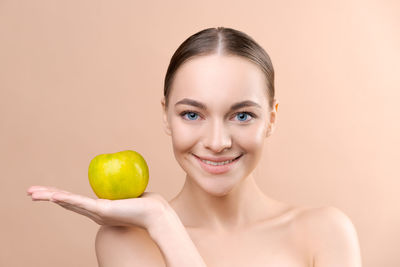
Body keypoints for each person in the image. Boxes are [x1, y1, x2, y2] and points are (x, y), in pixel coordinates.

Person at [27, 27, 362, 267]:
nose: (217, 142)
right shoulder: (124, 242)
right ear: (166, 116)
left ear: (271, 119)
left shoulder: (326, 232)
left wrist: (164, 225)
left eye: (242, 115)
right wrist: (160, 222)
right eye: (192, 114)